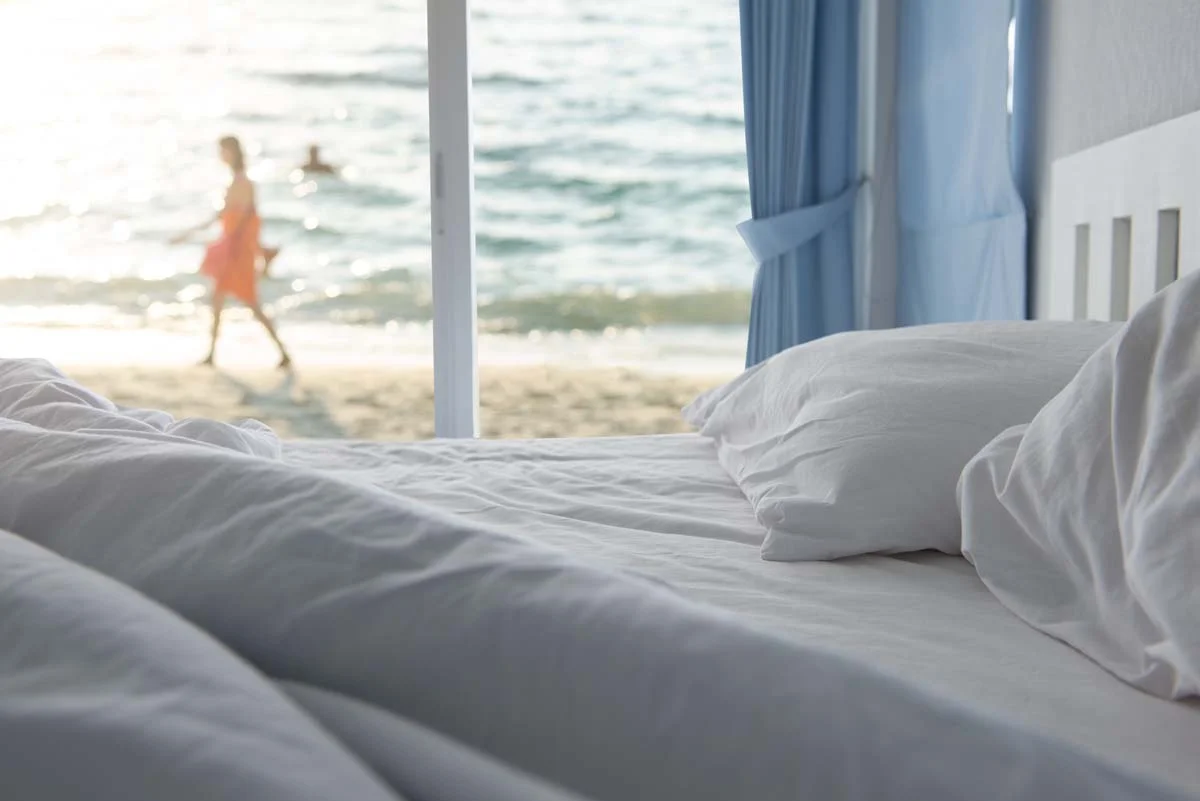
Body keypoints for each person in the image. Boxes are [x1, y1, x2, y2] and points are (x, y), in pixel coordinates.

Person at [172, 136, 292, 368]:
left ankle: (281, 352)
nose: (221, 155)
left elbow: (245, 221)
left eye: (223, 150)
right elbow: (228, 218)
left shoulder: (242, 182)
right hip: (232, 250)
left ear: (233, 152)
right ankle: (212, 354)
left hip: (236, 253)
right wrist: (189, 234)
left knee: (250, 302)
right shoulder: (238, 182)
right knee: (220, 300)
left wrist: (253, 249)